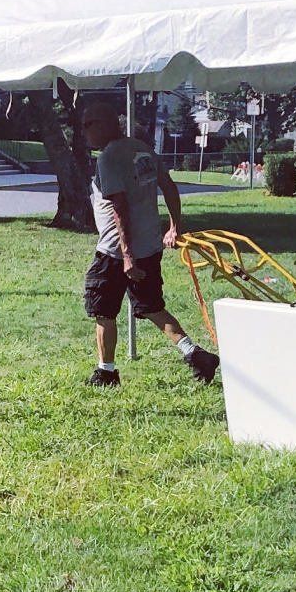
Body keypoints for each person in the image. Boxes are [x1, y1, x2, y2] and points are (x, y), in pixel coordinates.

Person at [78, 96, 219, 387]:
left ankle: (106, 372)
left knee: (103, 309)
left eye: (88, 124)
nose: (84, 131)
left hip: (116, 253)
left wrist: (126, 256)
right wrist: (174, 227)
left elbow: (120, 208)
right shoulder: (141, 149)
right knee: (151, 306)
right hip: (149, 246)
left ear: (106, 124)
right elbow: (168, 186)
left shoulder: (109, 157)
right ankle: (195, 355)